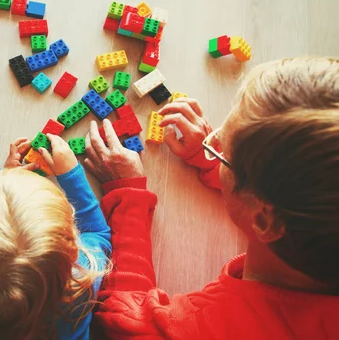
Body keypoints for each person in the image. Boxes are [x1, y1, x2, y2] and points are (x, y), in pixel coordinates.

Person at [84, 57, 339, 339]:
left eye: (222, 153)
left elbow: (123, 319)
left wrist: (128, 194)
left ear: (265, 219)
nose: (212, 143)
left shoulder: (200, 328)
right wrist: (215, 161)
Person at [0, 135, 111, 340]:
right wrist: (72, 175)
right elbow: (98, 234)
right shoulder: (81, 283)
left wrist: (2, 180)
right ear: (73, 248)